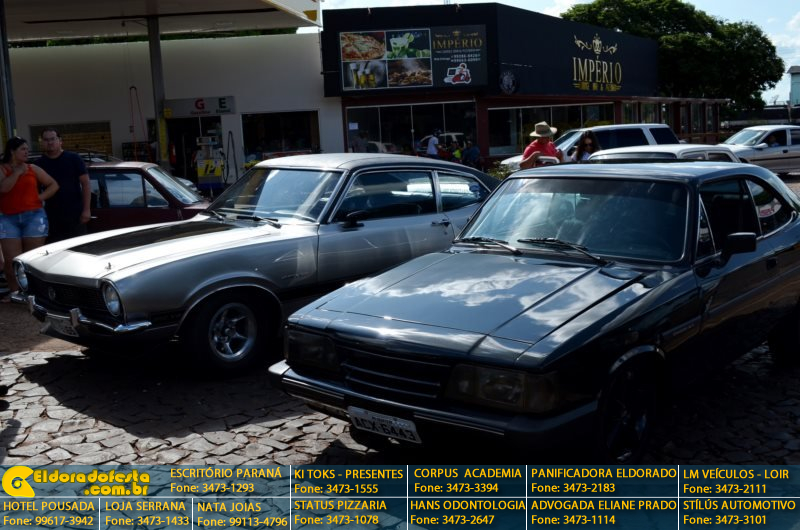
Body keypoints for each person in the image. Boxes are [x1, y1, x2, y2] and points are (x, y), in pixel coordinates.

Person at [0, 136, 59, 301]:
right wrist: (17, 173)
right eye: (23, 149)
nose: (27, 152)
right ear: (12, 151)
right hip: (8, 218)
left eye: (27, 149)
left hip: (33, 216)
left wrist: (39, 197)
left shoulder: (33, 168)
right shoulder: (3, 169)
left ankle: (35, 293)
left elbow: (53, 184)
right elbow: (3, 188)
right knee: (11, 261)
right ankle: (15, 293)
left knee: (33, 258)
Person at [34, 128, 90, 242]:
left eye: (53, 139)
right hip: (51, 216)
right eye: (46, 140)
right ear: (42, 143)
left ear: (60, 141)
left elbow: (86, 184)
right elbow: (35, 191)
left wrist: (86, 210)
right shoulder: (38, 164)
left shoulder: (74, 158)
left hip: (75, 214)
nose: (50, 142)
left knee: (78, 248)